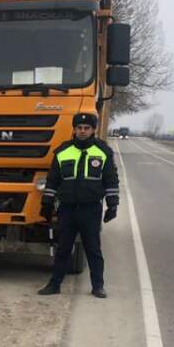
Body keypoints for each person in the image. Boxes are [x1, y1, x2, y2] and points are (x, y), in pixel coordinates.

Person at [37, 112, 119, 298]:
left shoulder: (103, 152)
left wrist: (112, 205)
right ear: (74, 129)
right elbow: (53, 181)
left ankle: (98, 286)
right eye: (79, 128)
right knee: (63, 249)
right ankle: (54, 285)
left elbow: (111, 180)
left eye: (86, 128)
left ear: (93, 129)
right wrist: (47, 203)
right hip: (67, 209)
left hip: (91, 209)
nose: (82, 131)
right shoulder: (62, 151)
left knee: (93, 250)